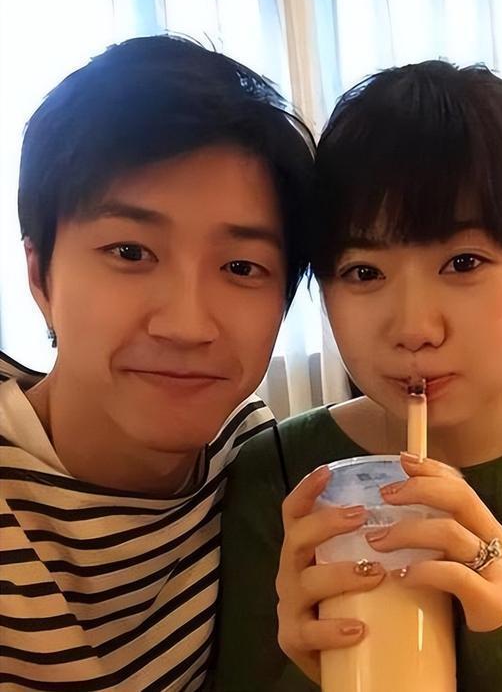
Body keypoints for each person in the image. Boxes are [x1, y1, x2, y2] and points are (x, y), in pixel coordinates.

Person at [212, 61, 502, 691]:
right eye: (363, 272)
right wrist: (314, 669)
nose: (414, 328)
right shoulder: (276, 476)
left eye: (464, 262)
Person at [0, 35, 313, 689]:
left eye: (241, 267)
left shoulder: (253, 463)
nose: (187, 325)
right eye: (130, 252)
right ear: (39, 274)